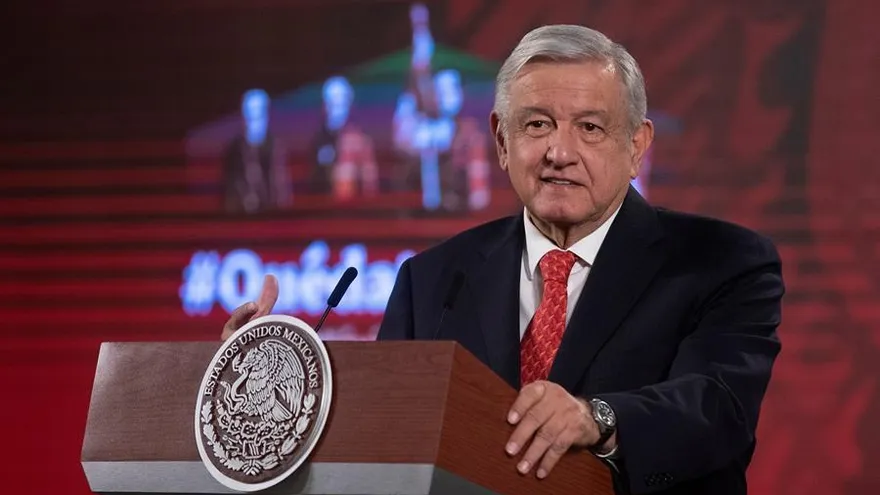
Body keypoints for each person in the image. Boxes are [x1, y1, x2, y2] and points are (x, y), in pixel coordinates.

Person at [221, 25, 783, 495]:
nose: (559, 153)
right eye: (537, 124)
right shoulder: (430, 280)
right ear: (500, 139)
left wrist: (597, 417)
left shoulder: (723, 261)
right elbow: (386, 435)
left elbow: (718, 408)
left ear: (637, 146)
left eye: (590, 127)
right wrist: (272, 371)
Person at [223, 89, 291, 213]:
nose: (253, 122)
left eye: (258, 115)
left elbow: (281, 186)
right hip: (241, 216)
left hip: (272, 215)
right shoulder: (234, 150)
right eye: (249, 114)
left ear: (266, 115)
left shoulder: (276, 147)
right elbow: (229, 189)